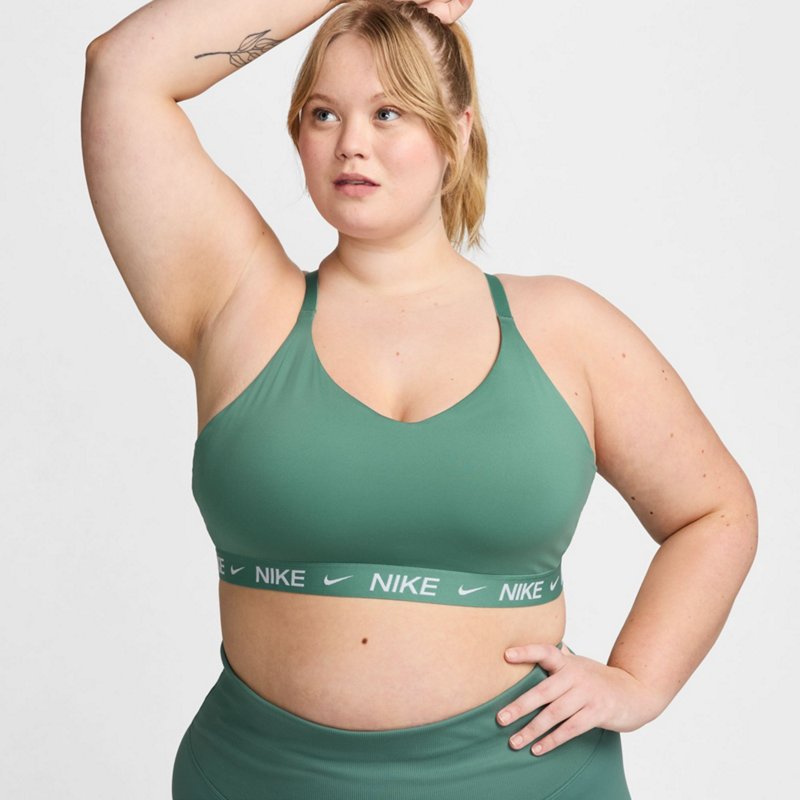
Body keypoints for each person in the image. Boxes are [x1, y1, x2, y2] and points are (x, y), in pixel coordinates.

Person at [81, 0, 758, 797]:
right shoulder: (238, 305)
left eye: (388, 112)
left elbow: (715, 512)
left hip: (523, 780)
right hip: (261, 777)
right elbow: (123, 69)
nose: (351, 142)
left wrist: (640, 680)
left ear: (457, 133)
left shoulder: (564, 329)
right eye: (324, 113)